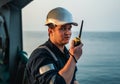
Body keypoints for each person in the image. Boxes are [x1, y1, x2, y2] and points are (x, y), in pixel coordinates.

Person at [25, 7, 83, 84]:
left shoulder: (66, 53)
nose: (67, 32)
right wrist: (74, 58)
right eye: (62, 28)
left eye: (69, 28)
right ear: (50, 31)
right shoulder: (40, 56)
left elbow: (72, 79)